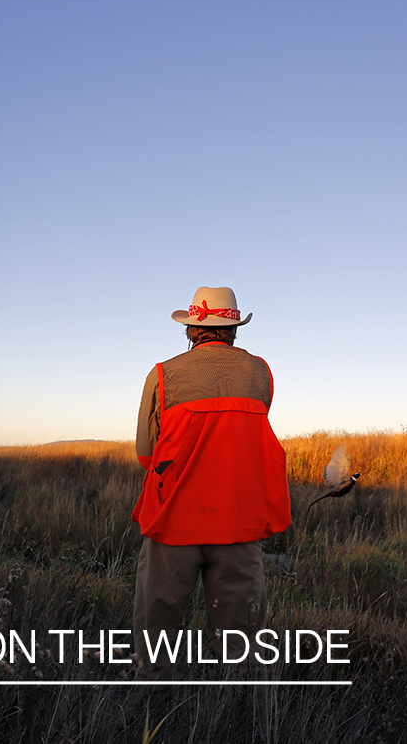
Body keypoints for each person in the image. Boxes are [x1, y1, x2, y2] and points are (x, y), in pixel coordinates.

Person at [132, 286, 291, 681]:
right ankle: (234, 708)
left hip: (174, 521)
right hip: (239, 520)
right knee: (240, 637)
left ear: (191, 330)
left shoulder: (164, 374)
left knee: (159, 623)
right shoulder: (261, 373)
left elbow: (146, 454)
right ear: (234, 329)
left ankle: (152, 697)